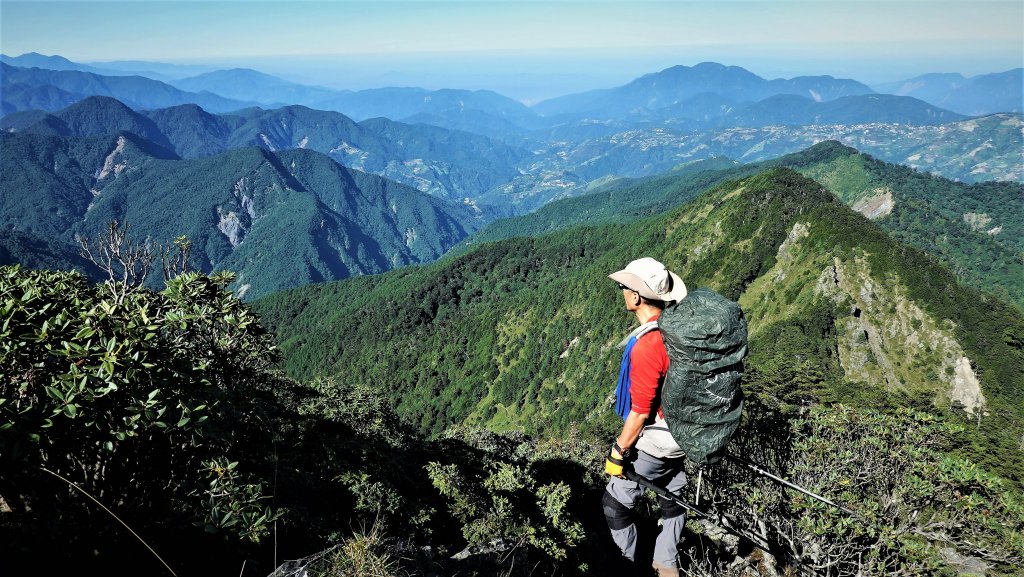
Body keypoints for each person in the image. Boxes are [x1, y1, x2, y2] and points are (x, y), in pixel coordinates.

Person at [602, 257, 689, 577]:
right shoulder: (679, 330)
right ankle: (666, 564)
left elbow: (640, 412)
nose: (622, 291)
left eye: (624, 287)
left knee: (615, 504)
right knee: (672, 496)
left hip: (658, 439)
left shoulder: (648, 344)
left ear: (636, 297)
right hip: (685, 434)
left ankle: (630, 566)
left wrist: (619, 451)